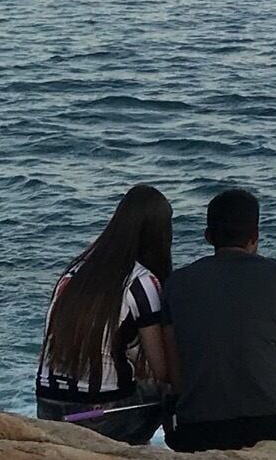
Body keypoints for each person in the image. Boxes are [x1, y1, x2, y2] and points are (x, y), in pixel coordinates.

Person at [162, 187, 276, 452]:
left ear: (208, 237)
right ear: (255, 237)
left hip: (195, 432)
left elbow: (176, 377)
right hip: (270, 426)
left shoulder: (176, 283)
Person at [33, 184, 177, 445]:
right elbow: (162, 368)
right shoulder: (141, 281)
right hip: (99, 416)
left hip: (49, 408)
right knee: (170, 389)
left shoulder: (74, 272)